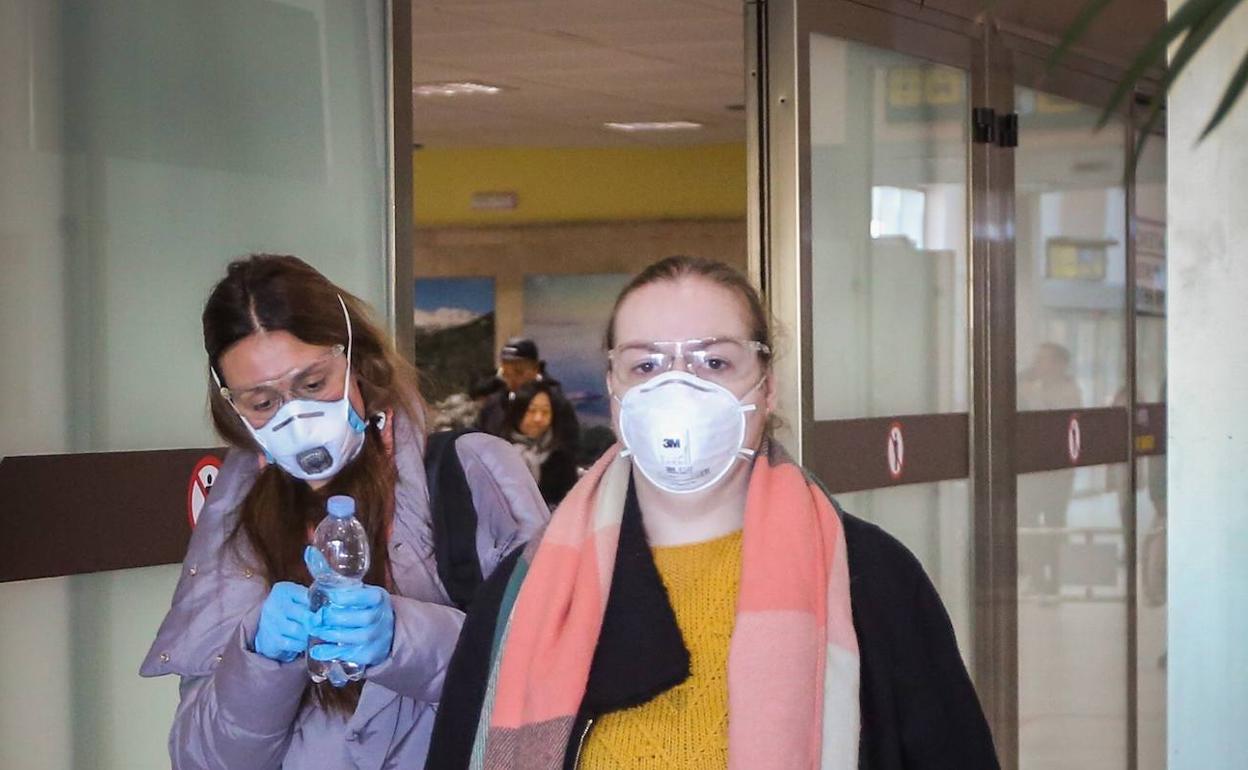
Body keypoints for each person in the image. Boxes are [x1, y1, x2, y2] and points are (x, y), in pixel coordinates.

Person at [426, 256, 999, 769]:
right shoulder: (528, 593)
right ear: (614, 390)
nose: (679, 388)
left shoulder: (870, 578)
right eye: (646, 366)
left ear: (767, 388)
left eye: (716, 362)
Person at [140, 254, 549, 769]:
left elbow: (551, 673)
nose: (296, 417)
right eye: (262, 403)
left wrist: (404, 638)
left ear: (357, 359)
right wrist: (260, 660)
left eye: (313, 384)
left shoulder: (471, 473)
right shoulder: (236, 515)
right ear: (232, 405)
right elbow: (202, 758)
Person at [1017, 342, 1083, 598]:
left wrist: (1033, 393)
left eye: (1044, 360)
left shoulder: (1069, 390)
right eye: (1037, 359)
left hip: (1058, 473)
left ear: (1059, 365)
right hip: (1031, 470)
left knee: (1054, 524)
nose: (1038, 365)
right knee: (1029, 524)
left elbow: (1053, 418)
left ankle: (1053, 577)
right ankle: (1036, 578)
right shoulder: (1026, 386)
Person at [477, 337, 579, 456]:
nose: (512, 379)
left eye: (519, 372)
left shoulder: (557, 404)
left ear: (535, 369)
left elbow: (570, 449)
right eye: (506, 374)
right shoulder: (493, 405)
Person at [504, 380, 579, 509]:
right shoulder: (499, 451)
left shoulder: (560, 457)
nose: (538, 418)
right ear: (518, 413)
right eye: (531, 411)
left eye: (545, 412)